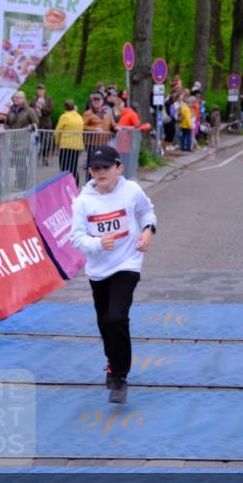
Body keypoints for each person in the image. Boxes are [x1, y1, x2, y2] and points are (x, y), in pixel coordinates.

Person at [70, 144, 156, 404]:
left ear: (118, 167)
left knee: (117, 317)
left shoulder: (131, 190)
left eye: (105, 167)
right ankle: (112, 360)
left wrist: (148, 230)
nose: (99, 172)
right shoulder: (83, 201)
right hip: (99, 269)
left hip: (128, 263)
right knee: (105, 322)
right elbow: (76, 237)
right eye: (94, 168)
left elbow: (146, 210)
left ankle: (120, 376)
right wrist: (97, 244)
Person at [6, 91, 39, 190]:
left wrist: (29, 128)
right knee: (17, 162)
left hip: (24, 141)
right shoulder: (11, 110)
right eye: (15, 97)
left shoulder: (29, 110)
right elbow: (6, 122)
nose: (16, 99)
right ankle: (20, 182)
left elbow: (36, 122)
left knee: (21, 162)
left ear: (23, 99)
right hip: (13, 141)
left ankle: (21, 183)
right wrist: (7, 129)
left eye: (19, 97)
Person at [54, 100, 84, 185]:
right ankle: (76, 185)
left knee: (64, 167)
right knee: (74, 167)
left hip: (66, 145)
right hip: (77, 145)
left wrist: (57, 142)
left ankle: (65, 185)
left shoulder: (64, 117)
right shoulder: (79, 117)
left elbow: (58, 131)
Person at [83, 91, 115, 160]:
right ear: (92, 101)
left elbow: (112, 124)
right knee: (93, 164)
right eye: (94, 100)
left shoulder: (106, 113)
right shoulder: (87, 113)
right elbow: (82, 126)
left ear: (102, 101)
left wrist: (116, 127)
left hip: (105, 143)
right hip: (92, 144)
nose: (96, 102)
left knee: (103, 164)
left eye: (98, 100)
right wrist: (94, 129)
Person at [31, 85, 53, 165]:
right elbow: (30, 109)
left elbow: (50, 110)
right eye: (38, 89)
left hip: (45, 123)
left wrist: (42, 108)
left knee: (45, 141)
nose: (40, 91)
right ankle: (35, 158)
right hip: (36, 123)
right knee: (35, 141)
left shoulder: (48, 99)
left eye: (41, 89)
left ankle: (45, 158)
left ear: (44, 90)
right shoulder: (34, 99)